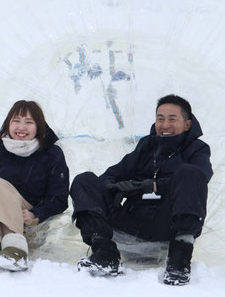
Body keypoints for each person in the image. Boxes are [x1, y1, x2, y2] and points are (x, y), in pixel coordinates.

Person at [70, 94, 213, 285]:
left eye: (172, 119)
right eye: (160, 118)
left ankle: (179, 263)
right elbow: (112, 174)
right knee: (84, 180)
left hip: (167, 224)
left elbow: (202, 176)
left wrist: (154, 186)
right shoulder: (147, 145)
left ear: (187, 124)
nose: (165, 124)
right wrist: (117, 187)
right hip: (131, 222)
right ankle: (105, 254)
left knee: (191, 173)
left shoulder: (197, 149)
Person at [0, 100, 69, 271]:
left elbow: (59, 198)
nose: (21, 127)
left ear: (39, 126)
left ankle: (15, 248)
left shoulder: (51, 153)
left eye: (29, 122)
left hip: (26, 224)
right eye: (16, 121)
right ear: (8, 124)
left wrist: (35, 214)